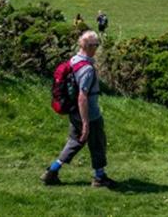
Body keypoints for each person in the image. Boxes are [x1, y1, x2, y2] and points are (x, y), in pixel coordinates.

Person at [41, 31, 114, 188]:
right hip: (89, 114)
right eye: (96, 45)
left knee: (74, 141)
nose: (97, 48)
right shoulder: (87, 69)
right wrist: (86, 123)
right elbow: (82, 97)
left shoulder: (74, 60)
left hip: (73, 111)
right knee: (97, 144)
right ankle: (99, 177)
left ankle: (52, 171)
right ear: (89, 47)